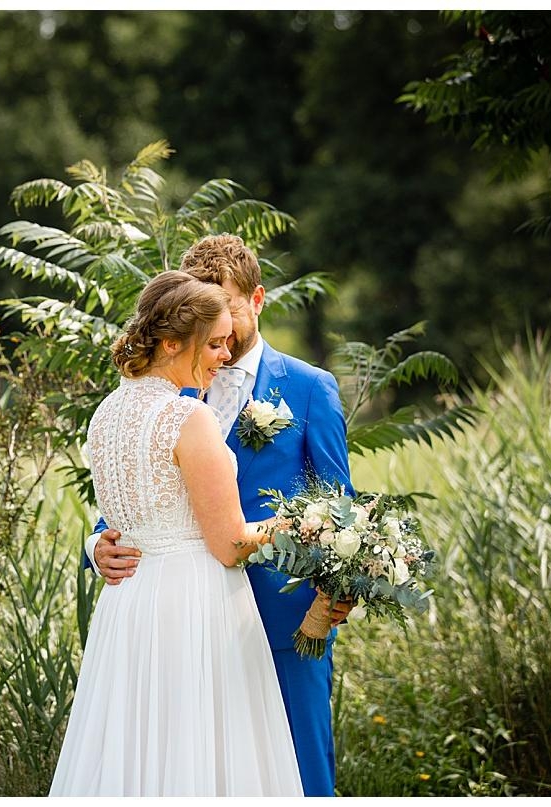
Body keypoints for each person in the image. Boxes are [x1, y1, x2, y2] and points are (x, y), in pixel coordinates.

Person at [85, 234, 354, 796]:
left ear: (255, 300)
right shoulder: (161, 394)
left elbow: (338, 510)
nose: (220, 333)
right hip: (182, 621)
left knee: (296, 777)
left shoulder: (308, 389)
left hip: (284, 621)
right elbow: (138, 490)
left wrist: (332, 600)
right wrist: (97, 545)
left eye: (226, 305)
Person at [49, 270, 303, 797]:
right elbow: (230, 544)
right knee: (203, 752)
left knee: (136, 750)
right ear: (171, 343)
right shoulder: (189, 417)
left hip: (132, 606)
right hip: (196, 605)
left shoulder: (107, 412)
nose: (223, 356)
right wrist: (297, 524)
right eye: (213, 343)